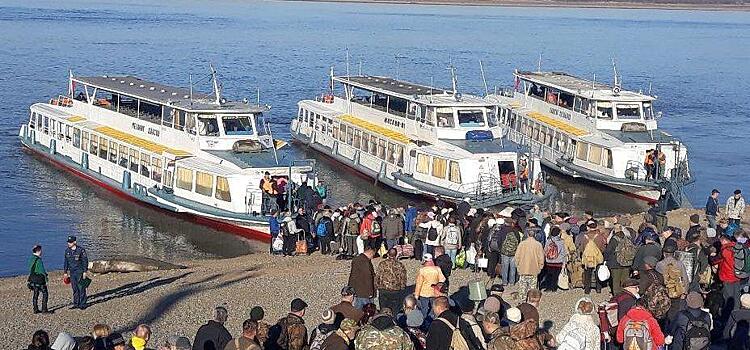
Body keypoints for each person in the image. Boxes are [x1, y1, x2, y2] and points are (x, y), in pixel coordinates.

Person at [514, 229, 544, 300]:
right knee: (533, 289)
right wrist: (540, 267)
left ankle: (522, 301)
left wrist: (518, 266)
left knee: (522, 288)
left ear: (527, 235)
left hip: (523, 269)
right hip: (534, 270)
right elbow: (541, 258)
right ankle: (532, 301)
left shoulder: (522, 244)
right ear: (535, 235)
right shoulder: (538, 245)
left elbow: (517, 256)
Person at [414, 253, 446, 319]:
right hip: (434, 292)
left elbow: (419, 284)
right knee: (433, 307)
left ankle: (424, 319)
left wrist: (416, 296)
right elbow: (442, 279)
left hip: (424, 293)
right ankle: (432, 319)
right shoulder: (437, 269)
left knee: (424, 308)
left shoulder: (422, 270)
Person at [376, 248, 408, 313]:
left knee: (383, 310)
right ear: (396, 255)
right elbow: (403, 278)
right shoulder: (400, 265)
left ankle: (384, 321)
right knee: (395, 310)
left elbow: (377, 276)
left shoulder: (382, 264)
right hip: (395, 290)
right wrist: (402, 288)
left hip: (383, 289)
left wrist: (378, 286)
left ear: (388, 254)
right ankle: (394, 321)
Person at [716, 234, 742, 312]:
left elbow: (716, 260)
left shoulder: (725, 250)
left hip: (727, 276)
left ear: (724, 240)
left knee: (728, 298)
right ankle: (737, 313)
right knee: (736, 297)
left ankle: (728, 316)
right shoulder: (737, 247)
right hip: (737, 276)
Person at [63, 235, 89, 309]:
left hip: (79, 271)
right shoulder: (67, 251)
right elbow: (66, 262)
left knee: (81, 288)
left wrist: (85, 271)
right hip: (72, 272)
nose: (69, 244)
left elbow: (85, 261)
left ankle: (83, 304)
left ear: (75, 242)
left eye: (70, 242)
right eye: (68, 242)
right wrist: (65, 272)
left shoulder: (81, 250)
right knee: (74, 288)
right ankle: (76, 303)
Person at [541, 227, 567, 292]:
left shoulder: (548, 240)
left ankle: (548, 287)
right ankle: (554, 288)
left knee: (549, 275)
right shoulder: (561, 241)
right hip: (558, 261)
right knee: (555, 276)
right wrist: (564, 262)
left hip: (549, 261)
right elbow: (563, 252)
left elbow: (545, 250)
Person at [28, 244, 52, 314]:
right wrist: (46, 277)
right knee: (45, 294)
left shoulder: (31, 258)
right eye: (41, 250)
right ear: (38, 251)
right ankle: (44, 309)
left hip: (33, 279)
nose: (42, 251)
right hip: (39, 280)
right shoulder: (38, 260)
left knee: (35, 294)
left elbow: (31, 268)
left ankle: (35, 309)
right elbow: (42, 270)